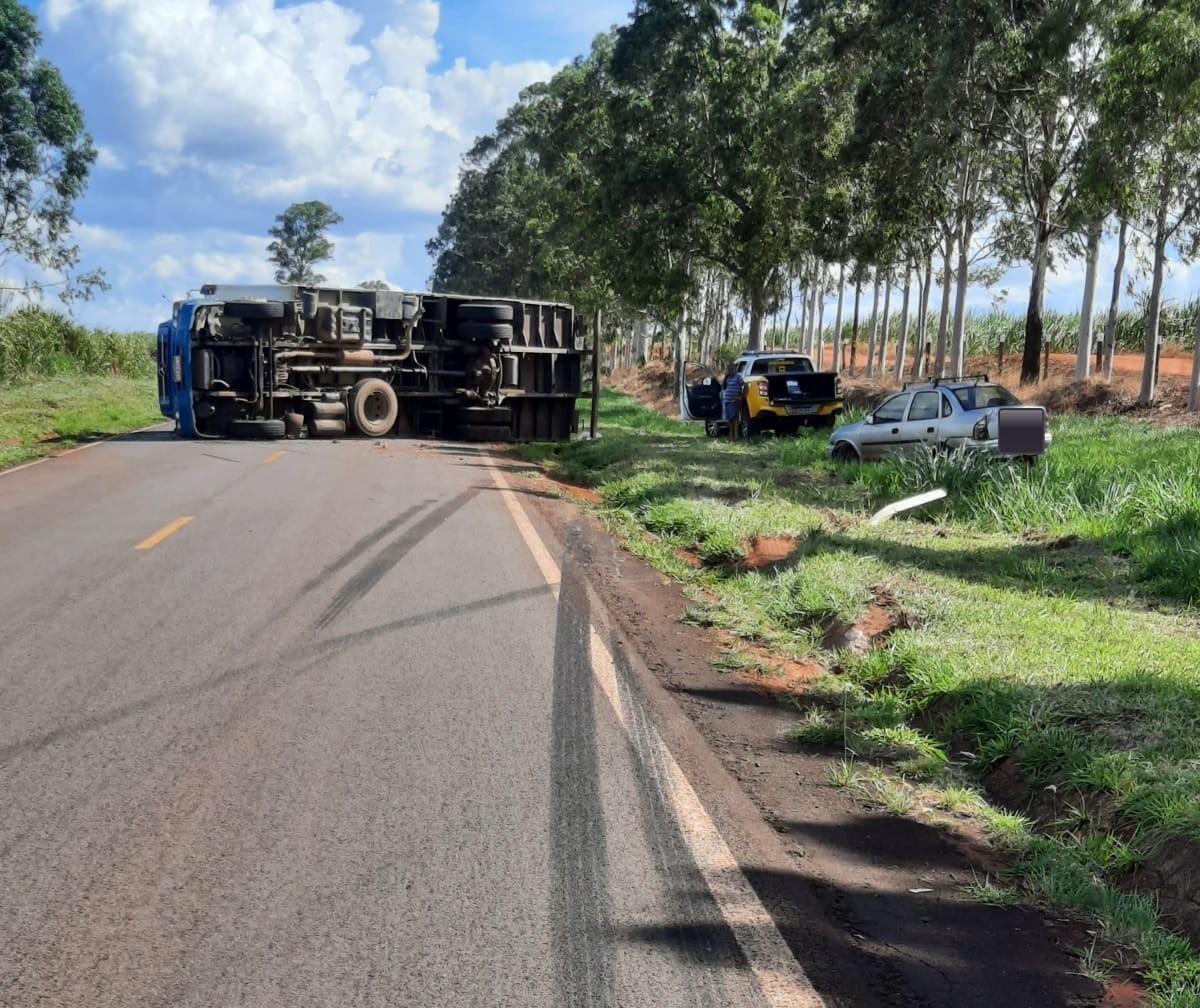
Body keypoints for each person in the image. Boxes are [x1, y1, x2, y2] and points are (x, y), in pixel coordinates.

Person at [721, 365, 744, 440]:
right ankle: (731, 434)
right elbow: (724, 387)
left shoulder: (738, 377)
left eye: (731, 370)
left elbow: (744, 385)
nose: (731, 371)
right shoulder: (728, 378)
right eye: (729, 370)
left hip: (734, 400)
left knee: (735, 419)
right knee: (729, 419)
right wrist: (725, 376)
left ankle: (736, 435)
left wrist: (740, 396)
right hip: (727, 400)